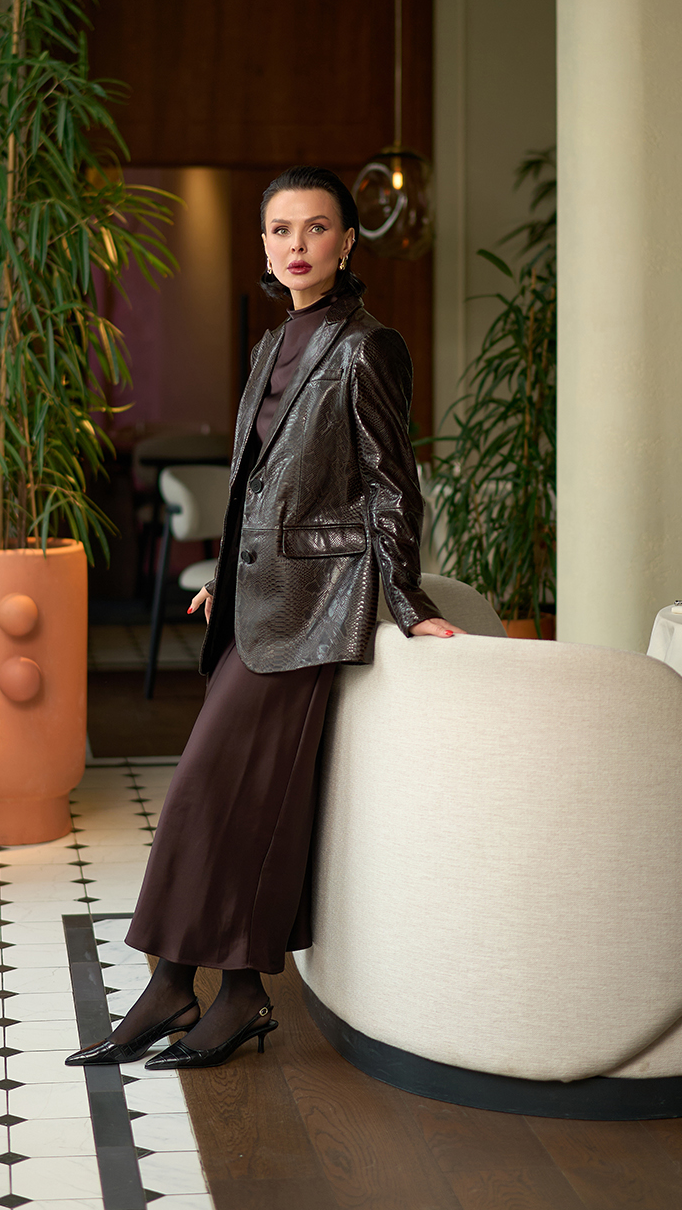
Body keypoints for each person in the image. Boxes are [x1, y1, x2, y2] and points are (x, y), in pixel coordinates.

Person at [66, 165, 464, 1073]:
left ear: (347, 242)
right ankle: (202, 987)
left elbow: (391, 490)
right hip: (257, 604)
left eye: (316, 228)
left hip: (317, 608)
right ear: (264, 245)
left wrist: (409, 603)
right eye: (281, 230)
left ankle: (201, 989)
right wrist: (230, 578)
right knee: (221, 799)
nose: (297, 245)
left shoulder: (369, 347)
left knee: (213, 789)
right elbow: (255, 484)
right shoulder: (273, 343)